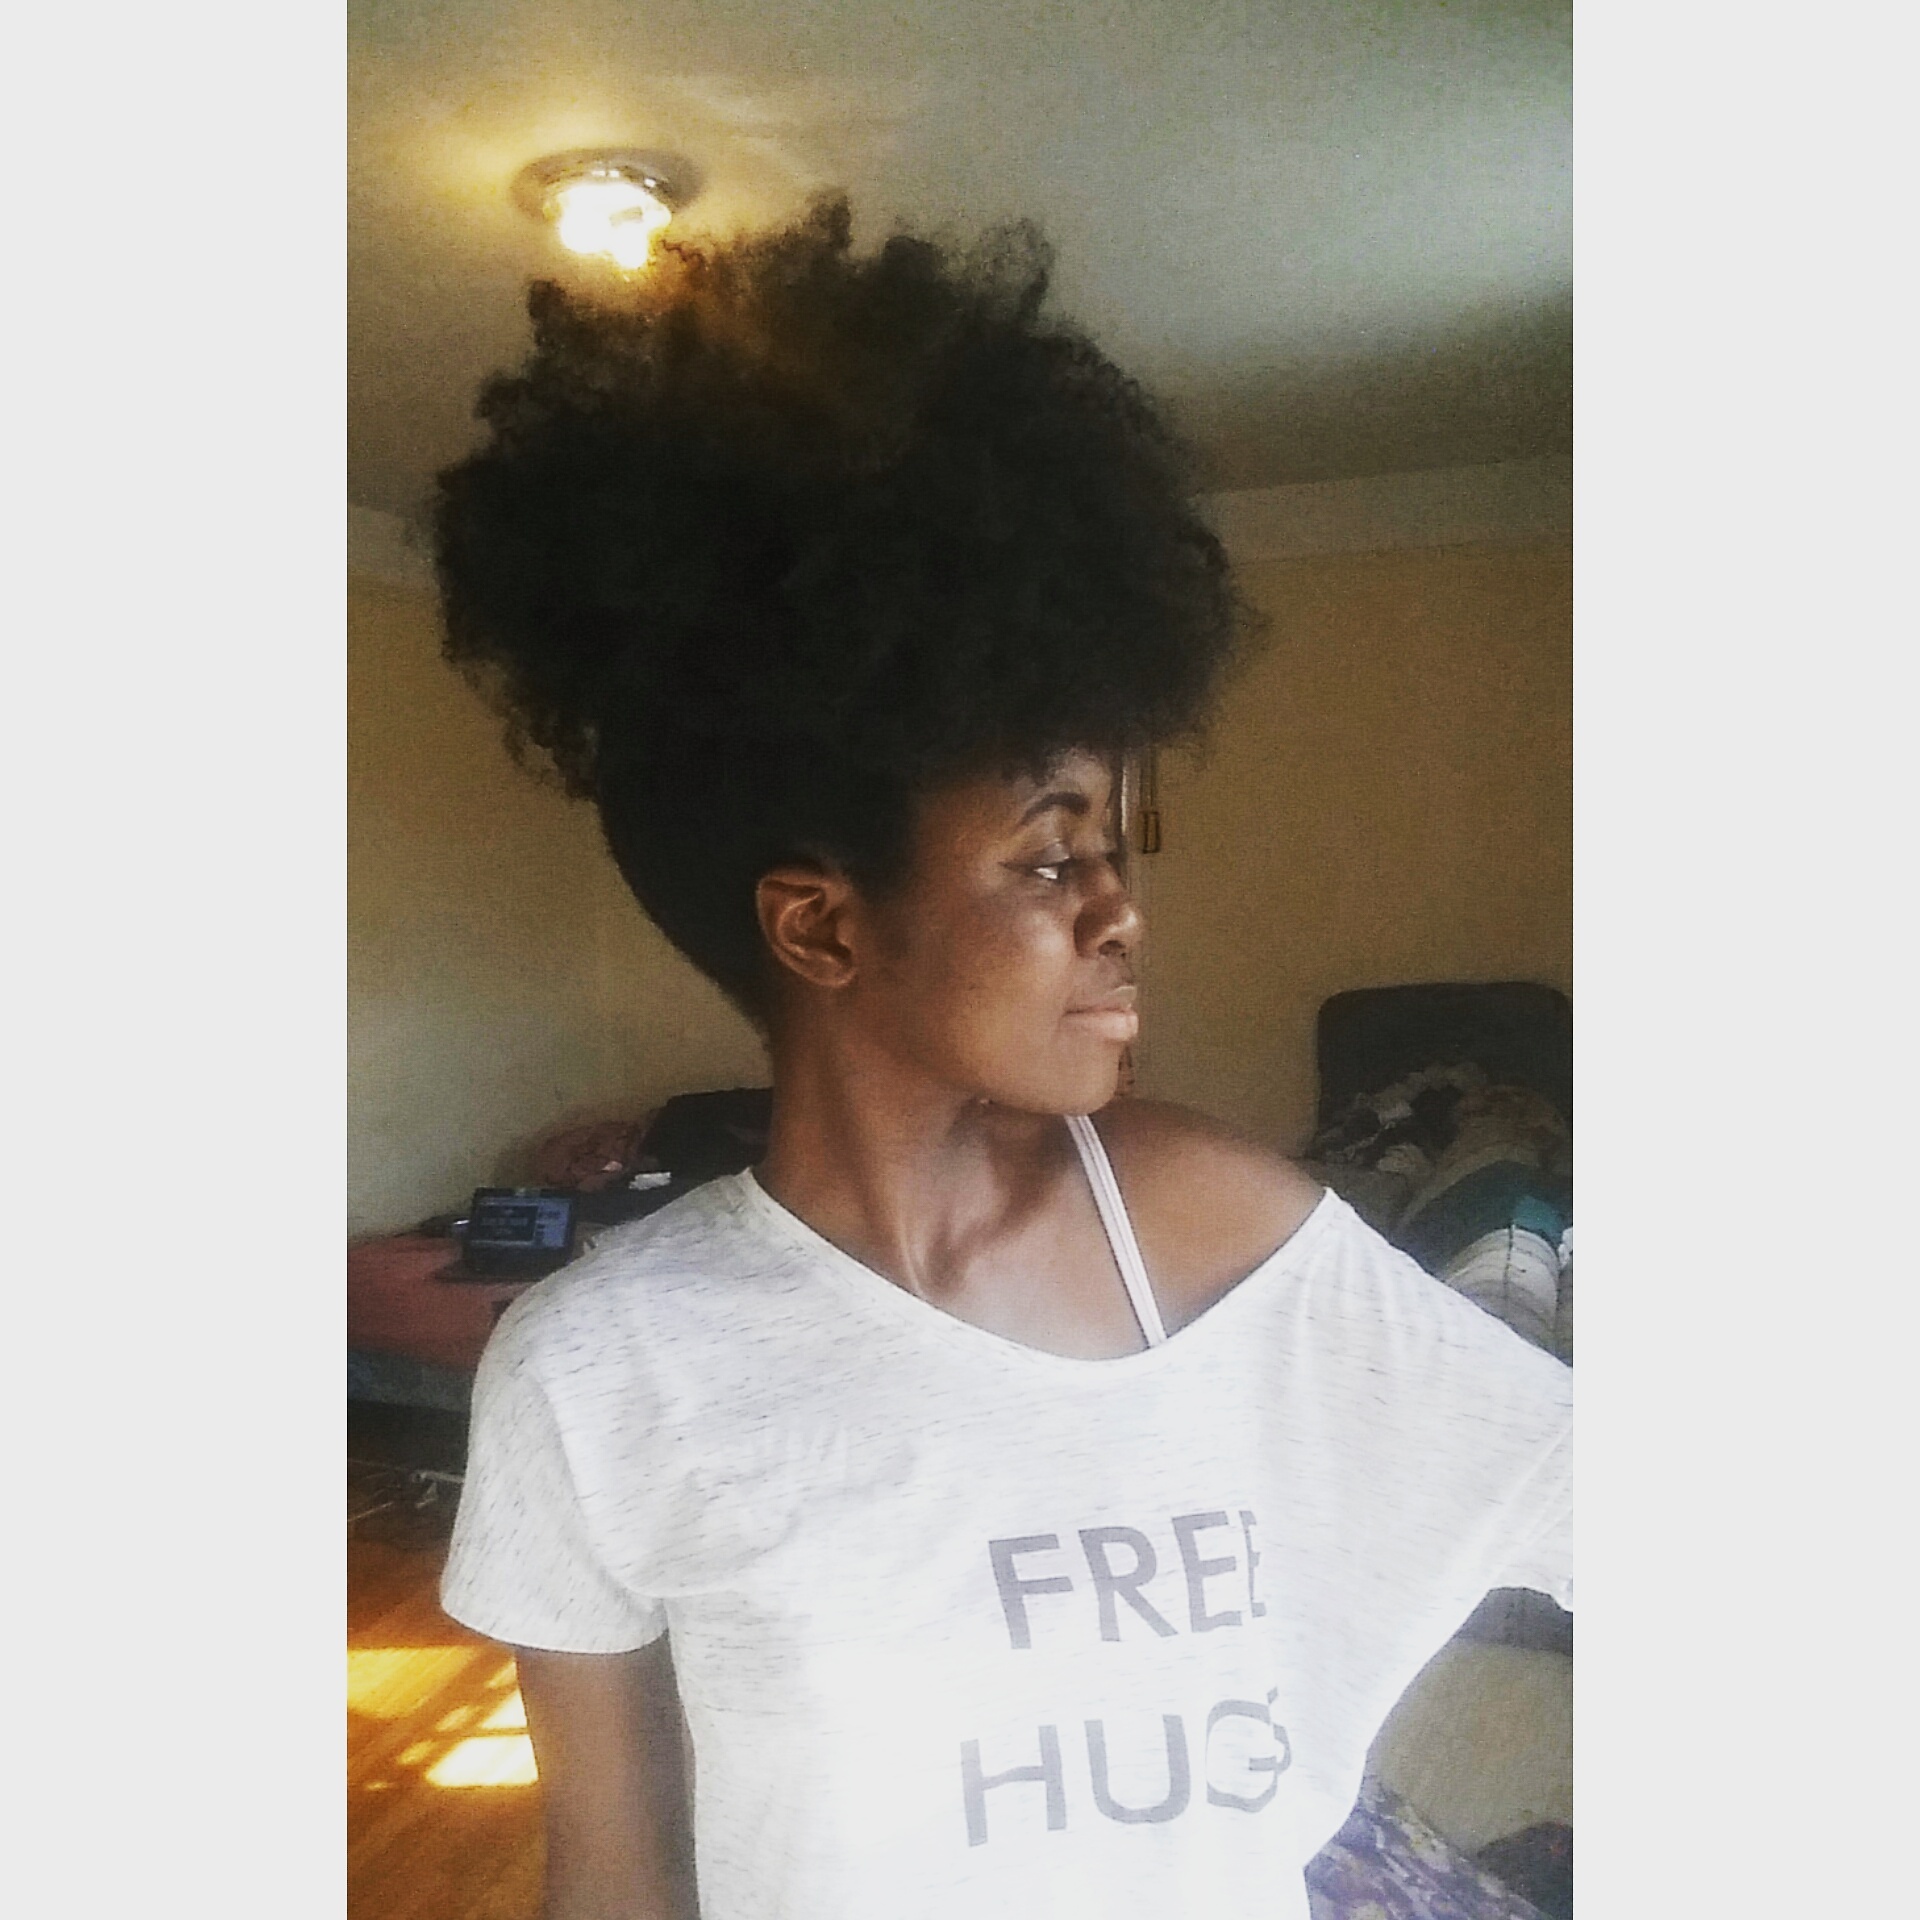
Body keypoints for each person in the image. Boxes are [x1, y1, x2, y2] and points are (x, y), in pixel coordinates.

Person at [431, 198, 1571, 1920]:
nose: (1121, 913)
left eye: (1114, 848)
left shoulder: (1208, 1228)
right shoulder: (600, 1372)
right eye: (1049, 858)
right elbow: (611, 1872)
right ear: (822, 928)